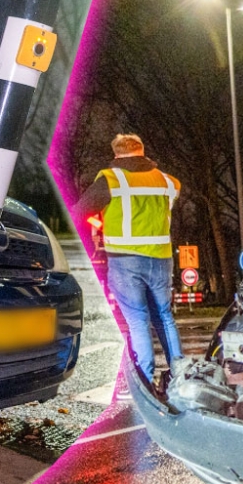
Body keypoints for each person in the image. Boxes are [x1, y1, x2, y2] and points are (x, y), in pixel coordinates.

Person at [74, 133, 184, 380]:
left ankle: (145, 377)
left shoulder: (111, 179)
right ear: (142, 151)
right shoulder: (168, 182)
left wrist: (97, 224)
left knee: (138, 321)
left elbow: (79, 211)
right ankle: (180, 373)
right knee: (165, 317)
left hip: (126, 261)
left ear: (116, 154)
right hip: (161, 259)